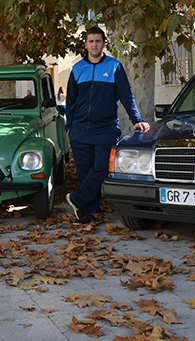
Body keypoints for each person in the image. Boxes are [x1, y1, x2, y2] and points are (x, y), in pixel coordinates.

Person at [64, 26, 150, 224]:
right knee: (86, 174)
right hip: (80, 131)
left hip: (106, 129)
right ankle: (88, 212)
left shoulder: (114, 67)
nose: (94, 44)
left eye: (98, 41)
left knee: (102, 168)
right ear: (85, 45)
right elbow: (71, 101)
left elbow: (125, 95)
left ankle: (75, 198)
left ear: (104, 43)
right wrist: (70, 125)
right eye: (91, 41)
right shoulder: (77, 69)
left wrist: (137, 119)